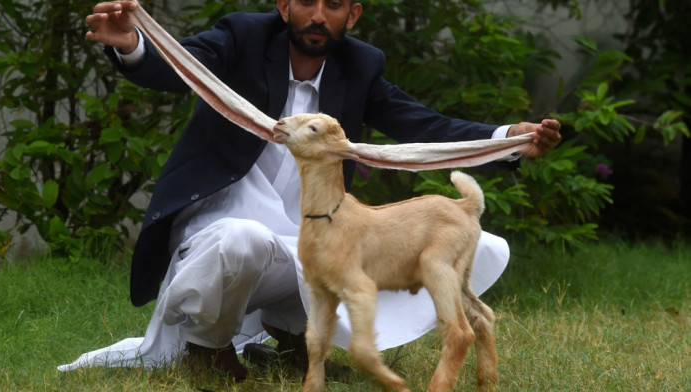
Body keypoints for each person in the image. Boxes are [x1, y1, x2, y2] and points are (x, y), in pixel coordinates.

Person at [59, 0, 561, 380]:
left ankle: (288, 332)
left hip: (310, 242)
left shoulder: (361, 66)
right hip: (219, 226)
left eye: (335, 5)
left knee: (382, 255)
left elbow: (421, 125)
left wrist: (503, 142)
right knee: (243, 240)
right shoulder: (243, 35)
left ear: (354, 15)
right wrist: (131, 44)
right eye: (306, 2)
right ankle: (207, 349)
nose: (319, 15)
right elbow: (184, 67)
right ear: (283, 6)